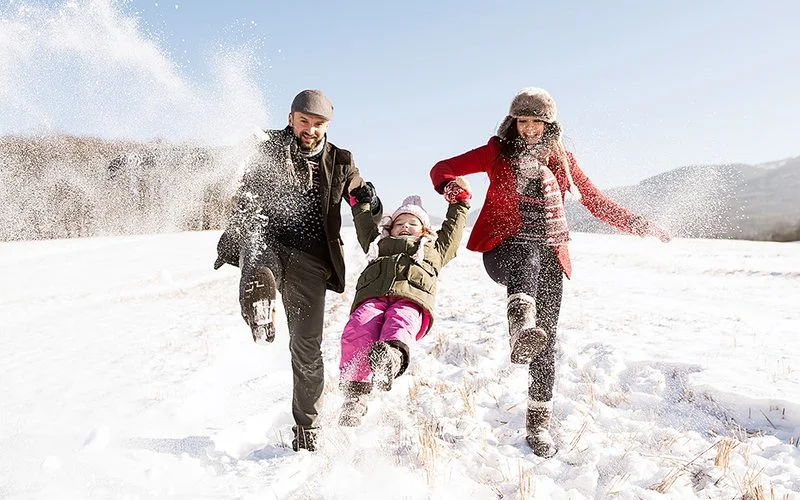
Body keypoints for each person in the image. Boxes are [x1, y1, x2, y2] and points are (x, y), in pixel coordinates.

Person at [429, 87, 671, 458]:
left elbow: (594, 201)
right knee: (527, 251)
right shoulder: (497, 152)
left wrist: (640, 224)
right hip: (502, 249)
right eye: (522, 121)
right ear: (513, 123)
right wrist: (452, 189)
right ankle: (519, 324)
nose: (528, 129)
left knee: (546, 339)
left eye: (536, 122)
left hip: (551, 255)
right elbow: (442, 168)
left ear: (549, 125)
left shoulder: (562, 161)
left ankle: (538, 423)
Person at [213, 89, 382, 452]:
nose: (311, 129)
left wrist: (371, 206)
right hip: (269, 239)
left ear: (327, 126)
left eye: (318, 124)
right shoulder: (267, 146)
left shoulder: (341, 162)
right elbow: (229, 166)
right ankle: (258, 301)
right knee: (256, 246)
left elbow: (360, 201)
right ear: (291, 119)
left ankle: (308, 430)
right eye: (304, 121)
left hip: (311, 260)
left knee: (306, 348)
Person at [337, 181, 472, 427]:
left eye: (412, 223)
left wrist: (460, 202)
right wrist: (360, 203)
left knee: (400, 322)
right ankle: (355, 395)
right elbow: (364, 226)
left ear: (423, 230)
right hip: (373, 298)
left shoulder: (434, 249)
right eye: (399, 223)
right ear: (390, 227)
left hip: (410, 299)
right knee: (358, 327)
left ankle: (391, 358)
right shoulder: (378, 244)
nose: (405, 226)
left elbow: (452, 232)